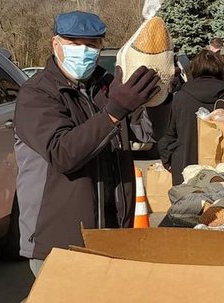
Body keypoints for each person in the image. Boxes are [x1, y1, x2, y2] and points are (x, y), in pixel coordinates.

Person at [14, 11, 168, 276]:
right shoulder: (37, 93)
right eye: (74, 43)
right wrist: (114, 111)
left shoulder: (107, 86)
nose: (83, 50)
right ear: (56, 44)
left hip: (112, 231)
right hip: (59, 239)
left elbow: (146, 135)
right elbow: (62, 153)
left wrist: (159, 100)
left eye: (92, 44)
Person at [157, 49, 224, 185]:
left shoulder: (181, 98)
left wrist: (168, 161)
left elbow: (167, 134)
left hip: (187, 168)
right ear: (220, 70)